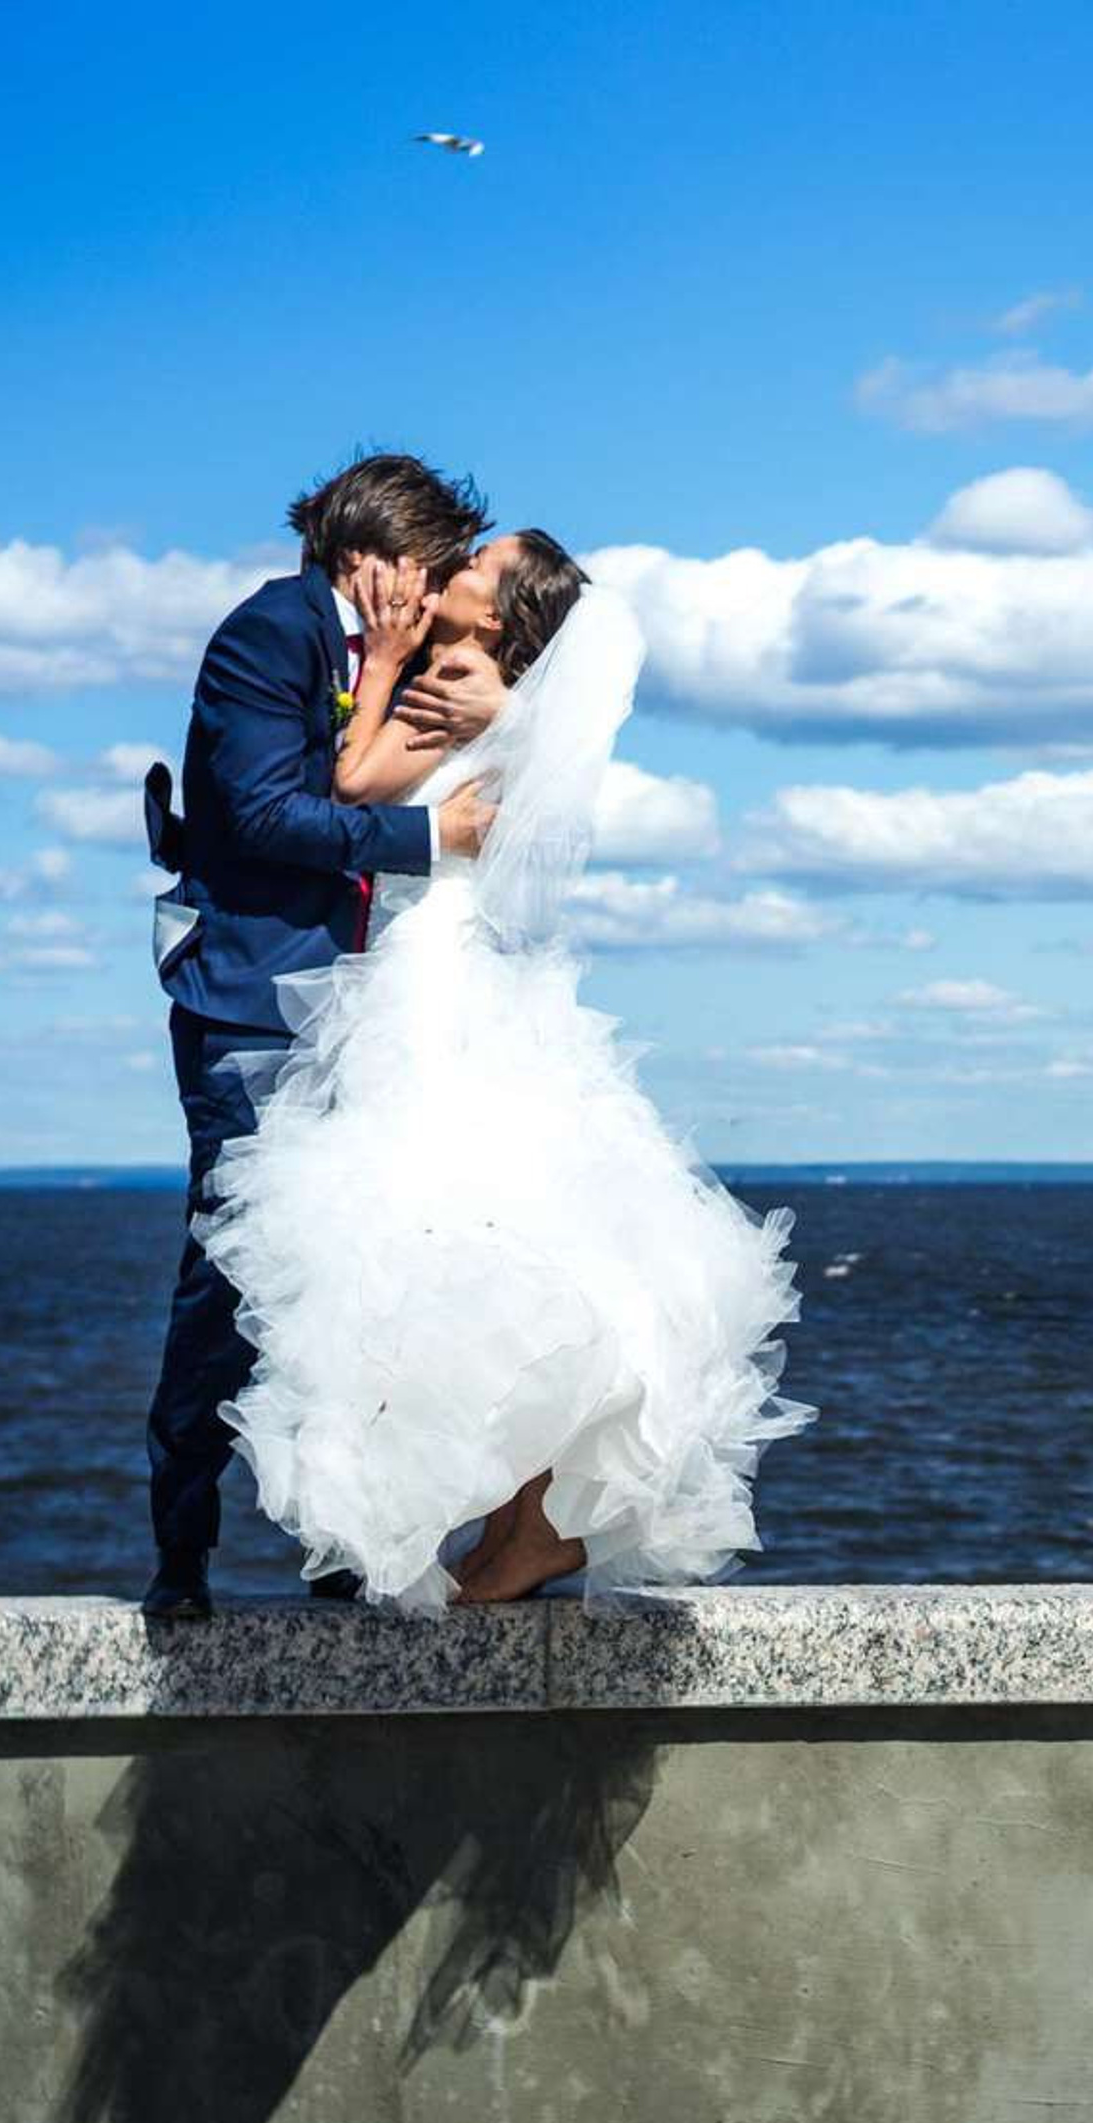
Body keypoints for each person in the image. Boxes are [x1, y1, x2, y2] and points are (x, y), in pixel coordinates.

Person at [191, 526, 811, 1609]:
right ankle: (526, 1524)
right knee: (512, 1235)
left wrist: (381, 664)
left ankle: (512, 1525)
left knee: (446, 1236)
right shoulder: (503, 689)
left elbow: (353, 781)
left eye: (473, 567)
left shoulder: (459, 672)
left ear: (498, 617)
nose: (448, 572)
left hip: (425, 972)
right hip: (467, 961)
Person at [141, 454, 499, 1620]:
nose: (438, 587)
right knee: (238, 1268)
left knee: (358, 1270)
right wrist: (432, 838)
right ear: (371, 560)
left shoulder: (395, 654)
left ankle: (340, 1540)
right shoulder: (268, 633)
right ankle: (180, 1556)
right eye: (429, 564)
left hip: (367, 1007)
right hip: (254, 998)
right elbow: (263, 812)